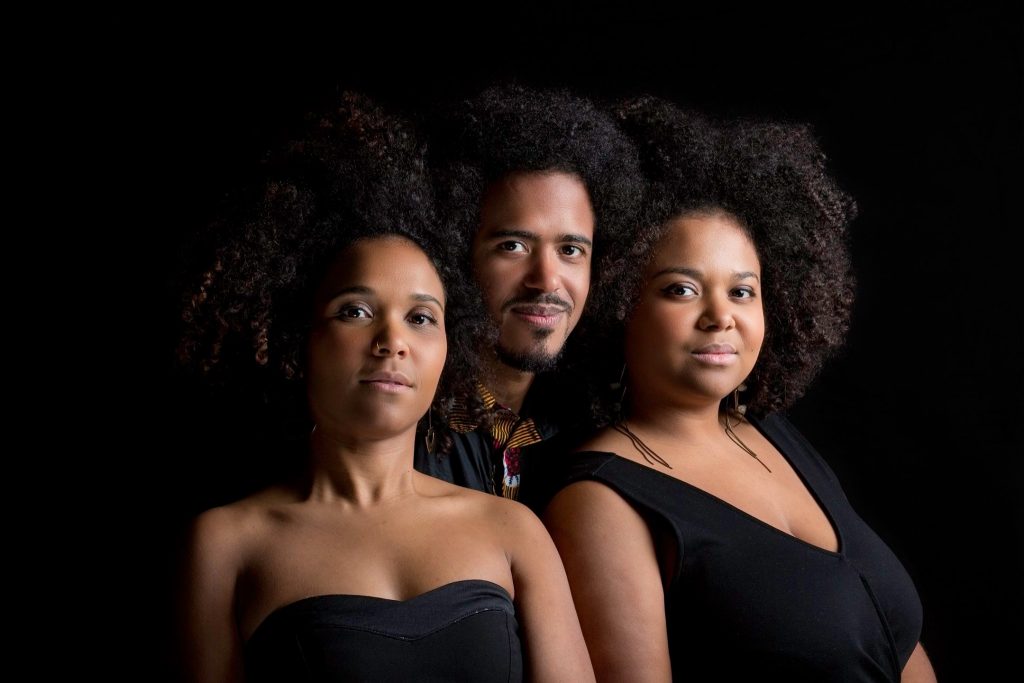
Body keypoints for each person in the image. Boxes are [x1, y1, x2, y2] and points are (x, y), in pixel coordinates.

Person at [175, 92, 594, 682]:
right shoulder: (224, 544)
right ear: (298, 340)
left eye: (421, 318)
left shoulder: (515, 530)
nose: (392, 341)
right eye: (355, 311)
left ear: (449, 347)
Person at [542, 95, 937, 681]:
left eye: (742, 291)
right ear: (616, 306)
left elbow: (898, 644)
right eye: (681, 290)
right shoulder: (600, 501)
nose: (720, 316)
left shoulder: (770, 434)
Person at [414, 83, 642, 512]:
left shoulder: (594, 426)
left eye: (570, 250)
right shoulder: (403, 427)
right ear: (457, 253)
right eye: (513, 246)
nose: (546, 280)